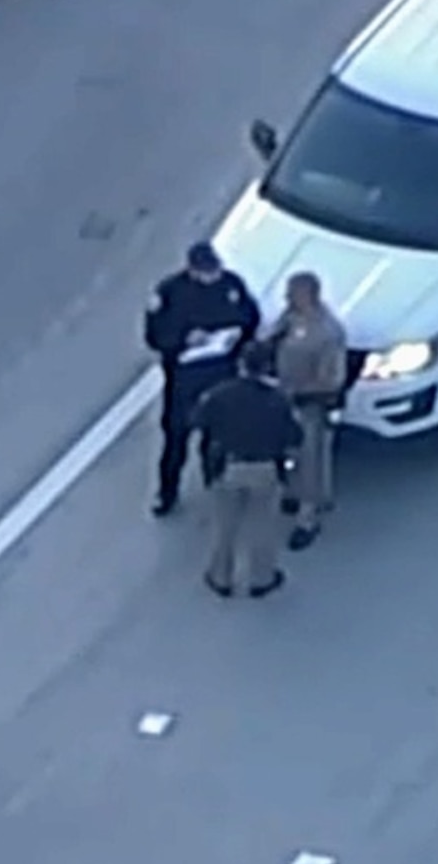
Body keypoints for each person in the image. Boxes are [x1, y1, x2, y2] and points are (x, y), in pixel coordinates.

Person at [141, 240, 263, 517]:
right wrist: (185, 340)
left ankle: (215, 480)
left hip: (222, 372)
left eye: (215, 269)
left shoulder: (231, 285)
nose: (213, 276)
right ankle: (167, 492)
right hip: (185, 377)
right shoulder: (170, 292)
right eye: (207, 271)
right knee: (176, 438)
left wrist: (237, 335)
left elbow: (250, 316)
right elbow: (155, 337)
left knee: (218, 436)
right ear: (192, 270)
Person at [193, 345, 303, 598]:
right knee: (262, 526)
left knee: (225, 526)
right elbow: (294, 437)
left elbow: (199, 421)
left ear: (242, 365)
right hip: (265, 468)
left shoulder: (220, 395)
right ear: (267, 367)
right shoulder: (277, 399)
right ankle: (262, 579)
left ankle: (220, 577)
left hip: (228, 466)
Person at [263, 271, 352, 552]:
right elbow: (277, 340)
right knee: (290, 454)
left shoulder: (328, 332)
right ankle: (293, 493)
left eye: (292, 294)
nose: (287, 298)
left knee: (311, 459)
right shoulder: (289, 318)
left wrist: (299, 390)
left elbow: (332, 378)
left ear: (308, 295)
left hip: (312, 404)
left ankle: (309, 516)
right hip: (286, 397)